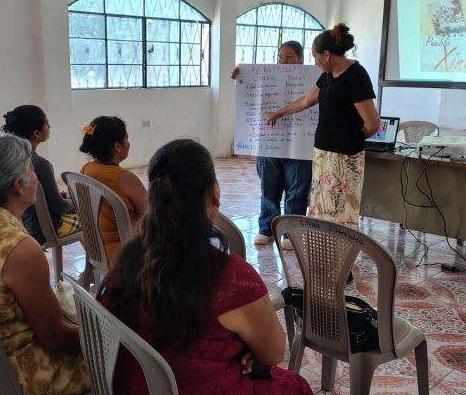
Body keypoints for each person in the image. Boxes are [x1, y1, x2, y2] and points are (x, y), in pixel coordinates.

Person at [100, 139, 312, 394]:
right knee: (295, 385)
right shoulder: (231, 278)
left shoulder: (128, 257)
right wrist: (244, 351)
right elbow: (273, 353)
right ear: (214, 194)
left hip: (132, 387)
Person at [0, 134, 90, 394]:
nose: (37, 178)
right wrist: (106, 336)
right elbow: (56, 337)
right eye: (32, 170)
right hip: (24, 378)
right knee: (127, 360)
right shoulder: (21, 251)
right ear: (19, 184)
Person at [266, 24, 380, 230]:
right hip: (323, 155)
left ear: (326, 54)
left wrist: (350, 138)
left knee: (341, 212)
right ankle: (323, 254)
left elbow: (372, 124)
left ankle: (341, 258)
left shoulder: (356, 75)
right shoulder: (328, 75)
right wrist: (279, 113)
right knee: (321, 208)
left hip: (345, 158)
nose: (315, 62)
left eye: (315, 57)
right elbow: (306, 100)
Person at [231, 41, 312, 251]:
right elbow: (248, 94)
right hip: (269, 144)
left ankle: (291, 233)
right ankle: (266, 229)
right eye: (281, 56)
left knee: (296, 192)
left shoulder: (312, 80)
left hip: (299, 145)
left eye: (289, 57)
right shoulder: (266, 77)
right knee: (269, 189)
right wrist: (241, 79)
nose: (283, 61)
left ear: (301, 59)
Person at [1, 105, 80, 245]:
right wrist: (74, 199)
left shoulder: (8, 160)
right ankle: (95, 262)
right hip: (47, 230)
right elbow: (59, 207)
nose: (49, 126)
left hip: (23, 226)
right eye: (46, 122)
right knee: (91, 218)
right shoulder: (41, 164)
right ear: (36, 133)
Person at [78, 116, 147, 268]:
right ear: (117, 146)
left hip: (93, 247)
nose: (129, 143)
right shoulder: (124, 178)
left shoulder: (85, 169)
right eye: (127, 139)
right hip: (123, 253)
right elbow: (153, 215)